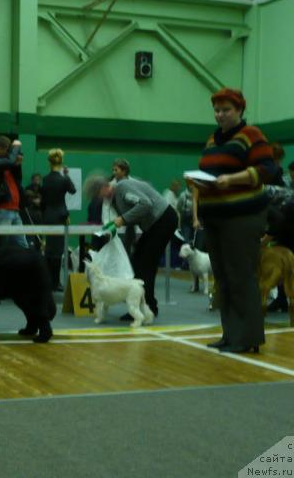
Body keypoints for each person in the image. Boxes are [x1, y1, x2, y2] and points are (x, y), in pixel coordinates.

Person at [191, 88, 276, 353]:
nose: (220, 114)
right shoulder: (212, 140)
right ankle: (230, 334)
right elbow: (209, 172)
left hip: (242, 217)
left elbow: (268, 169)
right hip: (215, 217)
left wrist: (233, 179)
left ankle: (248, 337)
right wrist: (198, 182)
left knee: (241, 276)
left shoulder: (251, 135)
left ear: (239, 110)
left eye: (226, 110)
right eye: (217, 110)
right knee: (223, 278)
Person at [84, 174, 177, 320]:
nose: (99, 198)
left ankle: (149, 307)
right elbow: (131, 224)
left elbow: (145, 204)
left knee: (145, 265)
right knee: (137, 261)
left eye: (98, 194)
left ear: (103, 187)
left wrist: (123, 218)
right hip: (154, 224)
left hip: (163, 220)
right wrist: (128, 247)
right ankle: (142, 307)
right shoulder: (114, 199)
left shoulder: (122, 188)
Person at [41, 148, 76, 291]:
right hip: (60, 216)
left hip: (48, 215)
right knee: (57, 252)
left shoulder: (45, 179)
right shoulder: (63, 179)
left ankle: (49, 281)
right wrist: (67, 175)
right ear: (61, 162)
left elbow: (44, 200)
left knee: (49, 250)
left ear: (49, 162)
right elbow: (73, 190)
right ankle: (55, 283)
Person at [22, 173, 43, 250]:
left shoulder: (42, 189)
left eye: (38, 179)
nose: (36, 181)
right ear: (32, 180)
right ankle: (30, 248)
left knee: (39, 235)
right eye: (35, 179)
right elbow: (24, 201)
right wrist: (34, 200)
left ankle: (38, 248)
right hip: (29, 215)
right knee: (29, 235)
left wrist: (39, 200)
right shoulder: (27, 189)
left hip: (39, 215)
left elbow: (44, 202)